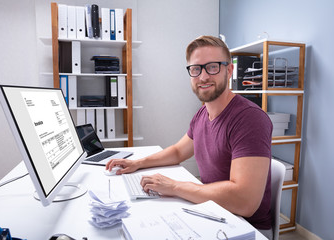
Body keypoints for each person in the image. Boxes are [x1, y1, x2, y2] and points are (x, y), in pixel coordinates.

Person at [106, 35, 273, 238]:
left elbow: (244, 201)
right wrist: (138, 163)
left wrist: (175, 187)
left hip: (244, 226)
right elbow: (178, 151)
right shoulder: (202, 114)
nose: (203, 77)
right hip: (213, 211)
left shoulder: (249, 119)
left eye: (212, 67)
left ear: (229, 71)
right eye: (196, 69)